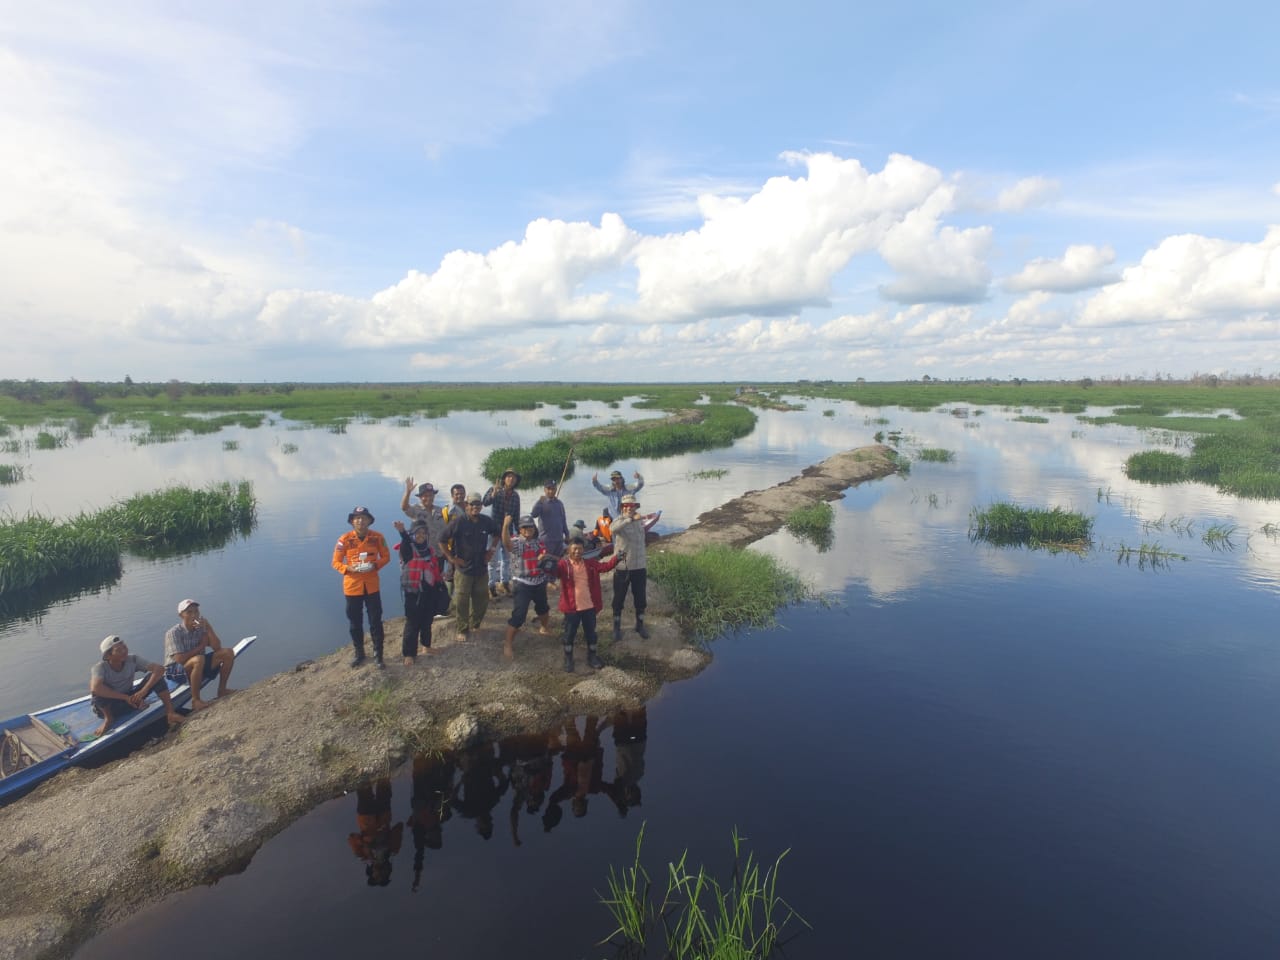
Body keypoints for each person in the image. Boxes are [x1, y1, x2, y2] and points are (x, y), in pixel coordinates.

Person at [332, 506, 392, 668]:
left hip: (372, 585)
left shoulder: (378, 537)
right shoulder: (344, 540)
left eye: (363, 518)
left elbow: (386, 557)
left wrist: (375, 565)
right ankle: (359, 654)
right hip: (352, 587)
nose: (360, 521)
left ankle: (378, 655)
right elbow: (335, 562)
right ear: (352, 522)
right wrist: (348, 568)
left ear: (369, 521)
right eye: (357, 518)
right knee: (355, 622)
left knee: (375, 621)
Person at [552, 533, 621, 672]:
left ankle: (592, 657)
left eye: (580, 549)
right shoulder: (563, 564)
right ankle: (568, 658)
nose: (577, 551)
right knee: (569, 634)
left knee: (591, 634)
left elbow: (605, 567)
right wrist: (546, 564)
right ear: (568, 550)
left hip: (589, 607)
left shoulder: (590, 563)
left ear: (584, 550)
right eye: (574, 549)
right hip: (571, 608)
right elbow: (554, 571)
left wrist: (617, 559)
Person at [90, 635, 184, 736]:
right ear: (108, 656)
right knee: (97, 694)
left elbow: (159, 669)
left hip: (131, 698)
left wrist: (143, 691)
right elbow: (96, 688)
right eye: (118, 650)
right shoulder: (100, 668)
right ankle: (108, 719)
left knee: (157, 678)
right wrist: (125, 697)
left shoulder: (133, 659)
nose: (124, 651)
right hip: (111, 706)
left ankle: (170, 713)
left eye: (124, 647)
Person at [438, 492, 499, 643]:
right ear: (467, 506)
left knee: (482, 598)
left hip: (481, 567)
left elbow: (497, 533)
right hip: (464, 569)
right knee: (462, 600)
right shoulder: (459, 522)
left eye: (478, 504)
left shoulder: (486, 521)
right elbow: (441, 539)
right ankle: (462, 628)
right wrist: (451, 558)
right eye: (472, 504)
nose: (475, 507)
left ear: (481, 506)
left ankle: (475, 624)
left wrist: (491, 550)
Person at [163, 599, 236, 710]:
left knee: (228, 653)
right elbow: (179, 659)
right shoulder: (173, 633)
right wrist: (201, 647)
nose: (194, 615)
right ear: (181, 615)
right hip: (176, 670)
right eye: (189, 612)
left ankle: (222, 690)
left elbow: (217, 647)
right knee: (198, 659)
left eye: (196, 612)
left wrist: (208, 627)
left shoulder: (201, 628)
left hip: (198, 662)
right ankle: (195, 700)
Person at [392, 519, 446, 665]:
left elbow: (434, 568)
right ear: (412, 535)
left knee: (427, 620)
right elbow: (405, 541)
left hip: (429, 590)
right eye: (418, 533)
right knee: (412, 622)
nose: (421, 536)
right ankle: (409, 653)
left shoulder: (430, 550)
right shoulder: (408, 549)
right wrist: (402, 532)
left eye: (423, 533)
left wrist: (441, 579)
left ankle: (426, 647)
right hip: (413, 592)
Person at [500, 515, 553, 660]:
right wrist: (505, 525)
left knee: (543, 608)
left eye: (530, 526)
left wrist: (544, 559)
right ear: (520, 529)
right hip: (522, 583)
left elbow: (544, 557)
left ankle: (544, 627)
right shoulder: (517, 542)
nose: (527, 529)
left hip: (539, 581)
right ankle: (508, 644)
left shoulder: (539, 542)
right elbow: (506, 544)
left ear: (534, 528)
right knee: (519, 615)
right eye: (524, 527)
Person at [348, 777, 403, 888]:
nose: (378, 873)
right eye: (382, 875)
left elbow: (351, 838)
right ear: (387, 872)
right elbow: (399, 827)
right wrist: (387, 838)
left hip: (366, 816)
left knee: (363, 783)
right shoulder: (392, 851)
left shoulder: (364, 857)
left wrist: (365, 840)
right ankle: (384, 765)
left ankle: (361, 768)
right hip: (383, 813)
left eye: (375, 876)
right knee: (383, 780)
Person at [610, 494, 650, 640]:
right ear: (622, 507)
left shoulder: (639, 521)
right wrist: (630, 519)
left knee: (640, 598)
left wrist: (636, 519)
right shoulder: (619, 520)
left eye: (631, 505)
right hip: (623, 567)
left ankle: (640, 625)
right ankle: (616, 627)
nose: (628, 507)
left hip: (639, 566)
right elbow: (612, 529)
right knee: (618, 599)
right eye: (625, 505)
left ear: (635, 506)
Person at [482, 469, 522, 598]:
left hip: (508, 533)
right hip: (494, 531)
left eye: (513, 477)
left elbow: (516, 515)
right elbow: (485, 502)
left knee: (507, 559)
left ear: (516, 481)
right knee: (492, 561)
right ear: (504, 479)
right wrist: (493, 494)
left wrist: (518, 532)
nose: (511, 479)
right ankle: (491, 586)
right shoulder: (496, 489)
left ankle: (505, 583)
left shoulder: (516, 496)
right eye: (508, 476)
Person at [400, 477, 446, 551]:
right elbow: (404, 508)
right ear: (420, 497)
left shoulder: (441, 511)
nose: (429, 498)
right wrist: (408, 492)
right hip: (421, 552)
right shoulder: (415, 509)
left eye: (431, 495)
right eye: (425, 496)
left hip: (438, 552)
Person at [530, 478, 570, 558]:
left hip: (559, 539)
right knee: (546, 562)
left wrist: (567, 534)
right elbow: (534, 514)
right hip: (546, 541)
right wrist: (539, 502)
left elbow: (563, 520)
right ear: (544, 489)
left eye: (553, 489)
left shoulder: (559, 503)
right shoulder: (541, 502)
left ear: (556, 489)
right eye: (549, 489)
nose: (551, 491)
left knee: (558, 562)